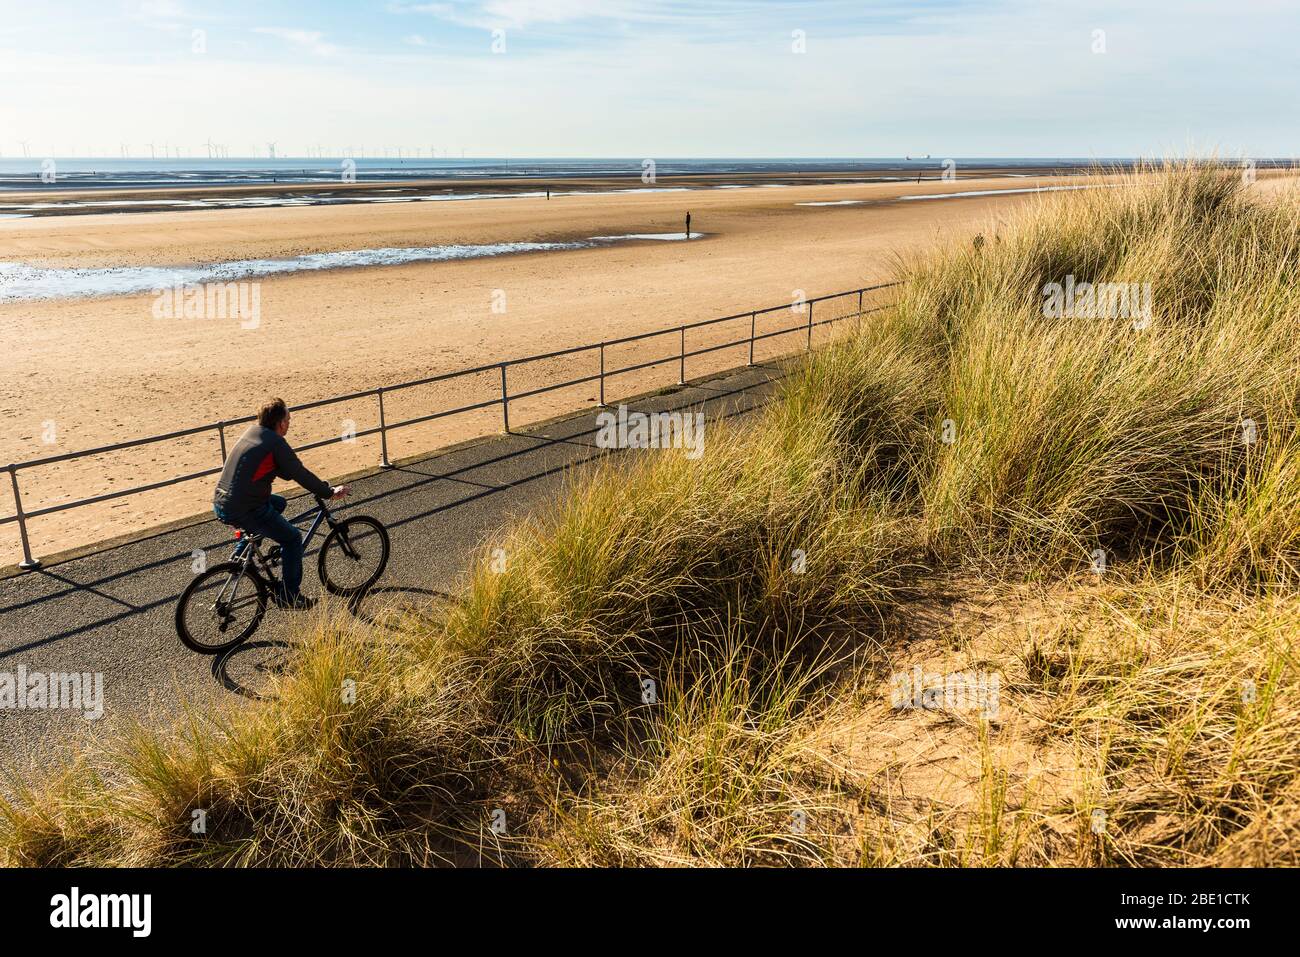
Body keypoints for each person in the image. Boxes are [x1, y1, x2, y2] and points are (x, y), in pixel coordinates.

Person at [213, 397, 348, 610]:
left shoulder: (252, 432)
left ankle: (240, 557)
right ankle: (290, 596)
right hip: (246, 508)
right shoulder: (276, 443)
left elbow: (277, 469)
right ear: (280, 423)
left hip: (222, 501)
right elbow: (299, 473)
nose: (290, 423)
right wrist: (328, 492)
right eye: (288, 419)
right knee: (293, 538)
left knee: (279, 503)